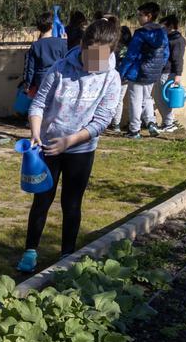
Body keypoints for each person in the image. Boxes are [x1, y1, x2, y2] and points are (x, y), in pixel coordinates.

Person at [16, 17, 123, 273]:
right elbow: (39, 104)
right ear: (83, 47)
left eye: (100, 58)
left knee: (72, 203)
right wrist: (35, 132)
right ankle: (30, 251)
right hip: (48, 146)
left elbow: (101, 120)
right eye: (89, 57)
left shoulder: (111, 78)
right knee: (42, 199)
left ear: (110, 53)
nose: (93, 65)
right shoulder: (59, 69)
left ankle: (67, 255)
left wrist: (70, 141)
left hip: (80, 150)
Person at [114, 1, 169, 139]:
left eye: (140, 15)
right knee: (147, 98)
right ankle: (151, 122)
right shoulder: (162, 32)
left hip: (138, 71)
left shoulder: (140, 33)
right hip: (153, 72)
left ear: (148, 16)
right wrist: (158, 67)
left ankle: (134, 130)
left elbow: (131, 55)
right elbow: (166, 53)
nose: (137, 17)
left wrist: (121, 73)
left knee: (135, 101)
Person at [22, 12, 69, 98]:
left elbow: (31, 69)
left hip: (41, 80)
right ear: (52, 26)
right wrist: (64, 42)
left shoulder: (35, 45)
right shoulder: (61, 43)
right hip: (57, 79)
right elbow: (66, 61)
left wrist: (28, 85)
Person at [157, 14, 186, 132]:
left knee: (163, 98)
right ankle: (167, 122)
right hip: (164, 71)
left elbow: (178, 58)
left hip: (168, 73)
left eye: (163, 26)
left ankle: (168, 123)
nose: (161, 29)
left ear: (171, 26)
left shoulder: (177, 40)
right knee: (161, 98)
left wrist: (178, 75)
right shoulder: (168, 38)